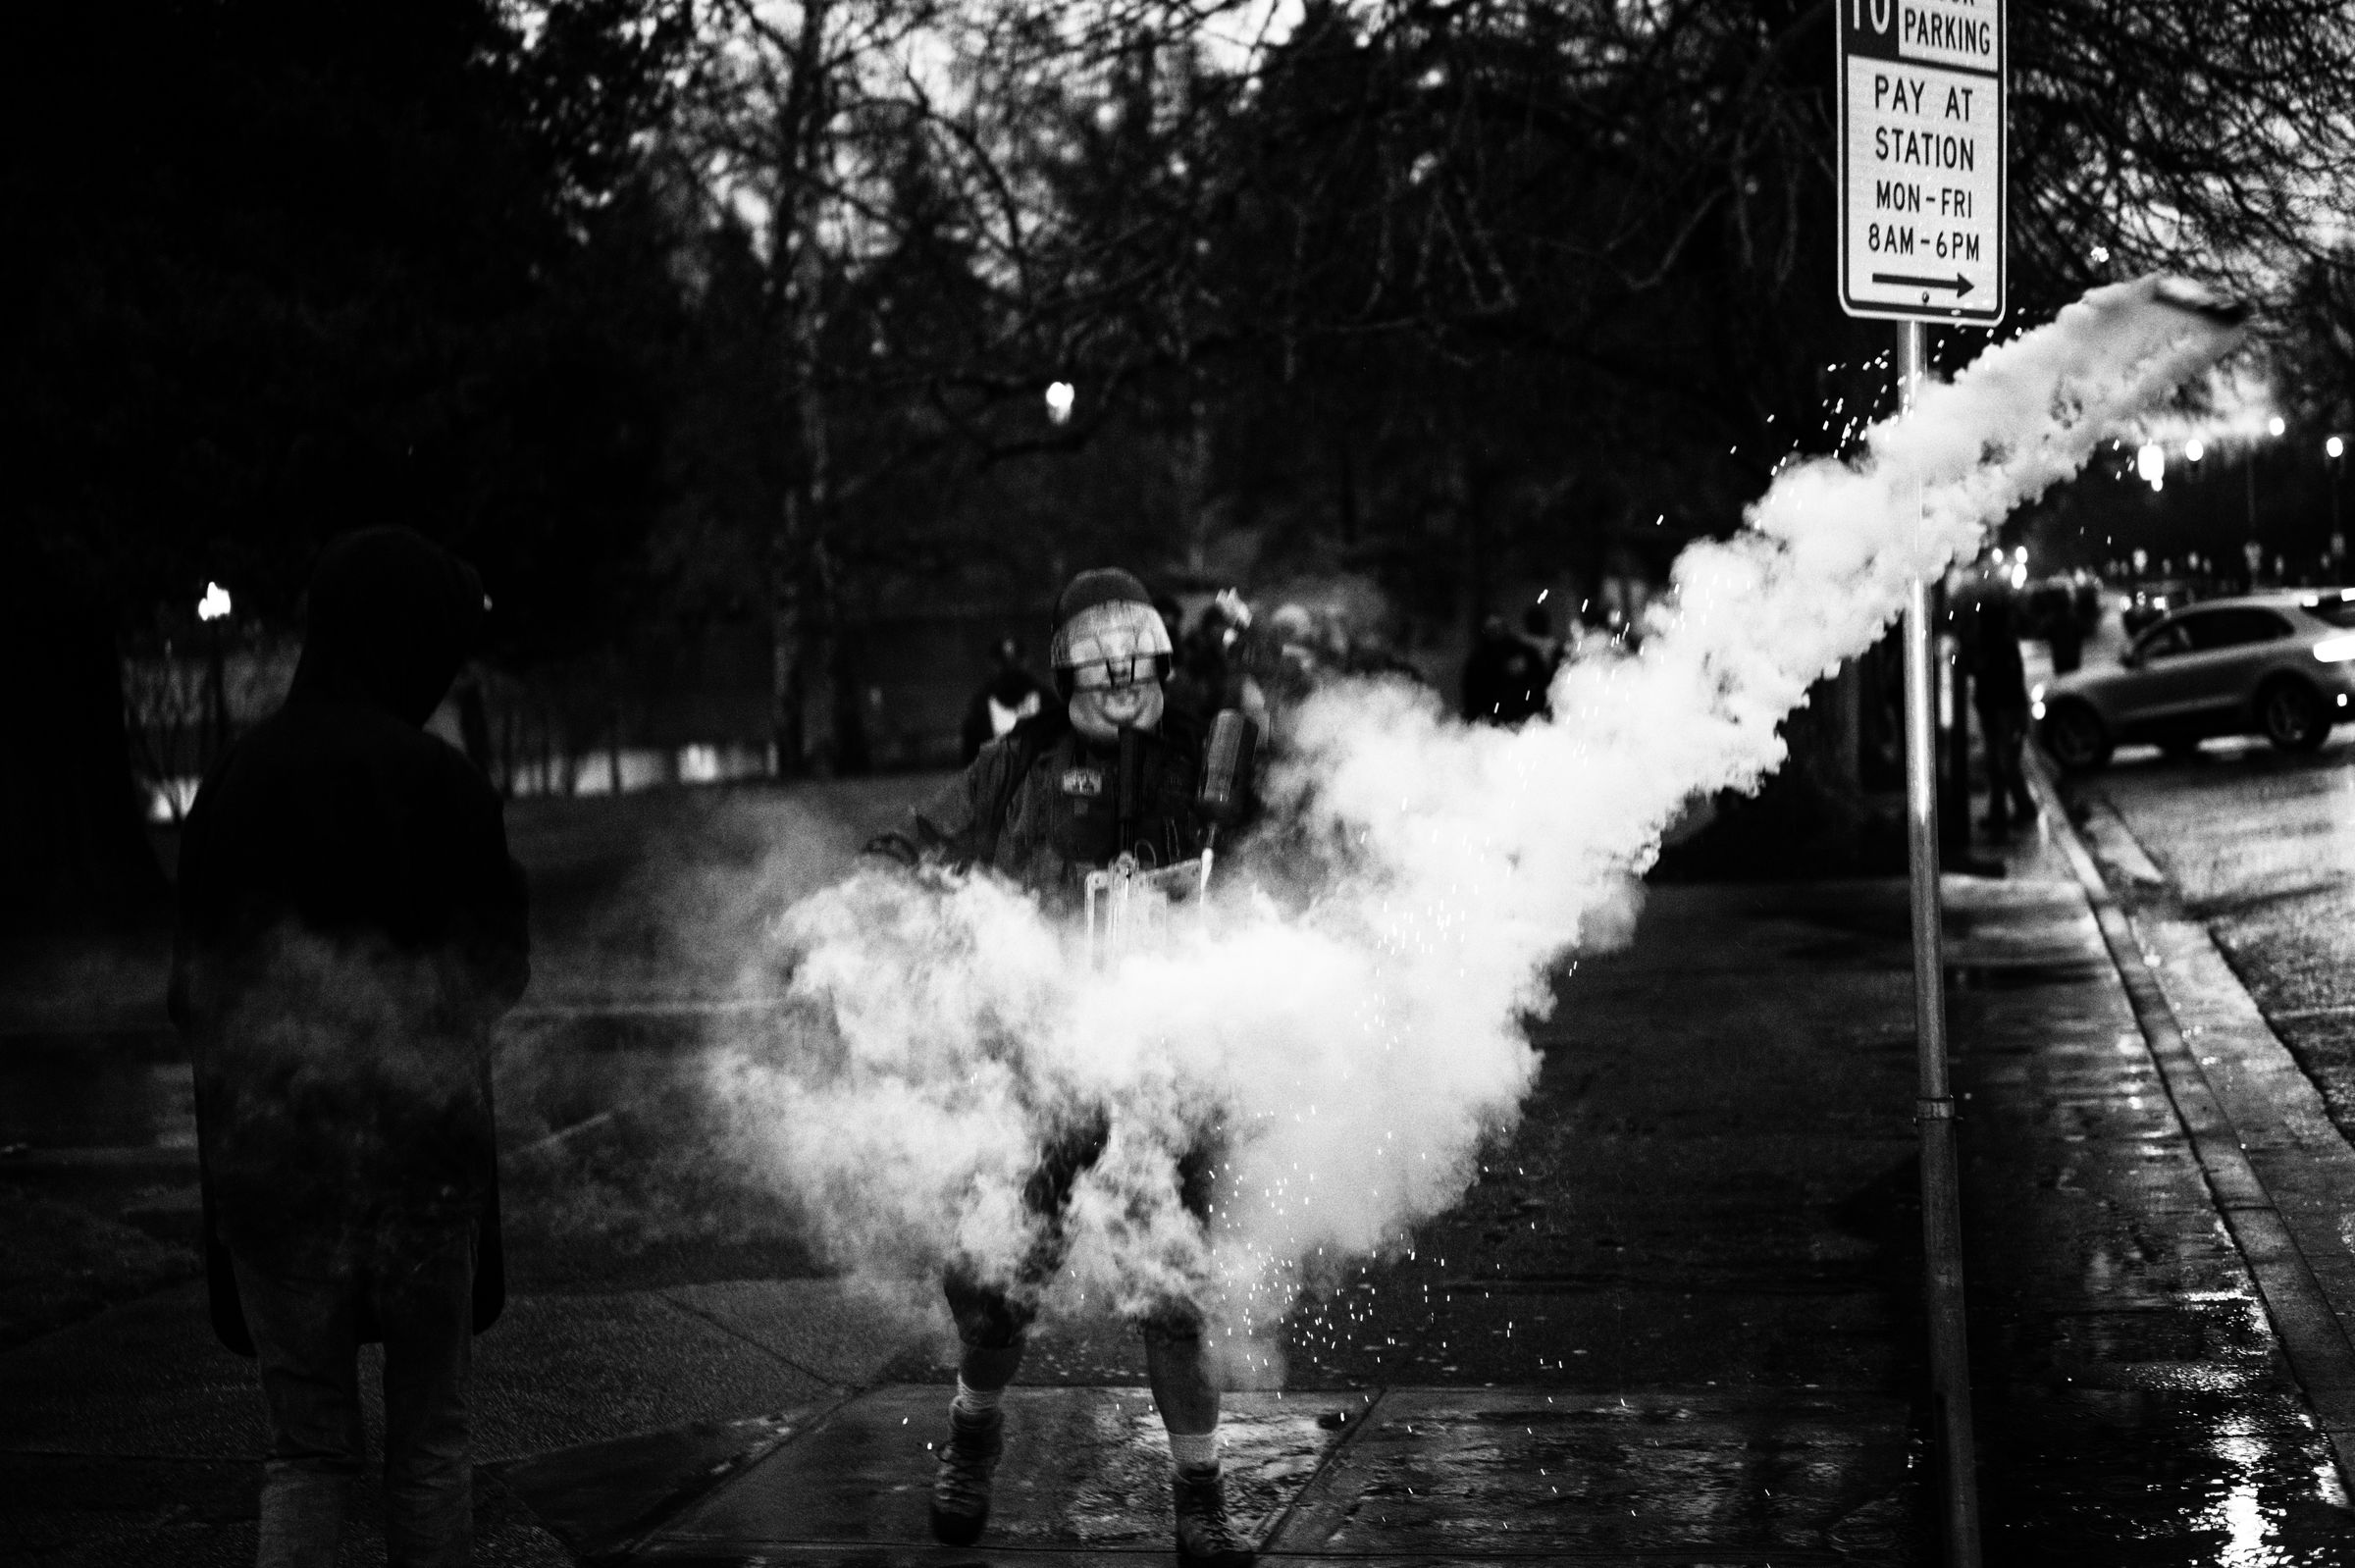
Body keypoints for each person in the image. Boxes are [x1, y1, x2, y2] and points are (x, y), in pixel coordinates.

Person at [875, 567, 1254, 1568]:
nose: (1126, 687)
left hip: (1168, 1060)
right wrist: (876, 884)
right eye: (1103, 669)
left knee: (1172, 1288)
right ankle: (972, 1429)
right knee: (999, 1280)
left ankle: (1200, 1492)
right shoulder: (1022, 761)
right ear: (1067, 674)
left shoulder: (1209, 751)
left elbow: (1295, 845)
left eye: (1141, 667)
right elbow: (922, 836)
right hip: (1047, 1056)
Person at [170, 527, 530, 1568]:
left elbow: (195, 996)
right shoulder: (439, 781)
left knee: (308, 1452)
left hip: (272, 1169)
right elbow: (496, 971)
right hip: (425, 1164)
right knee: (429, 1443)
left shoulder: (234, 783)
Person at [1969, 582, 2038, 836]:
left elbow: (2003, 682)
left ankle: (2022, 808)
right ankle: (2001, 811)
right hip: (1996, 710)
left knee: (2006, 764)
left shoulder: (2001, 644)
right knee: (1997, 765)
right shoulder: (1993, 644)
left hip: (2006, 712)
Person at [959, 635, 1054, 764]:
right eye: (1004, 664)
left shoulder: (1045, 700)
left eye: (1015, 663)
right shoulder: (981, 706)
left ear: (1026, 662)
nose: (1010, 670)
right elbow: (971, 754)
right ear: (994, 665)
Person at [1460, 612, 1545, 725]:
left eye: (1499, 627)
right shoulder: (1478, 660)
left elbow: (1539, 680)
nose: (1496, 632)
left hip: (1523, 715)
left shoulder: (1523, 652)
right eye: (1492, 629)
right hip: (1493, 718)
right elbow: (1473, 694)